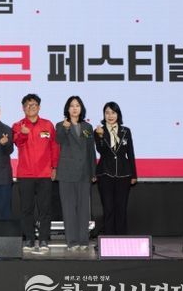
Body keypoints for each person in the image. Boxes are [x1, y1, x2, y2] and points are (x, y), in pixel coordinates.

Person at [12, 94, 59, 252]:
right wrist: (23, 133)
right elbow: (17, 142)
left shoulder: (48, 125)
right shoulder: (18, 125)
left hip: (45, 174)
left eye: (33, 105)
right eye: (27, 105)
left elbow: (54, 147)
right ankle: (29, 239)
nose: (30, 108)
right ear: (23, 108)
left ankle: (44, 239)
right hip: (25, 174)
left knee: (45, 209)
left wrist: (54, 167)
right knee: (26, 209)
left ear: (39, 107)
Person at [55, 96, 96, 251]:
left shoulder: (87, 127)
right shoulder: (61, 125)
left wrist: (93, 171)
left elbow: (91, 150)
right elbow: (59, 140)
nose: (74, 108)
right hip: (66, 172)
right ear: (67, 108)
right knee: (68, 208)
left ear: (81, 108)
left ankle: (83, 241)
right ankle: (72, 241)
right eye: (71, 105)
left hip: (84, 172)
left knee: (84, 209)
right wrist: (65, 128)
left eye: (77, 105)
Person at [95, 101, 137, 235]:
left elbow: (130, 153)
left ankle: (121, 238)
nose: (110, 116)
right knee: (108, 208)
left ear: (118, 114)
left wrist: (134, 174)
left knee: (121, 208)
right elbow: (100, 150)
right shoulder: (99, 131)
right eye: (107, 113)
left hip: (124, 174)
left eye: (113, 113)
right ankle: (108, 239)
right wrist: (100, 136)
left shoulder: (126, 131)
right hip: (105, 173)